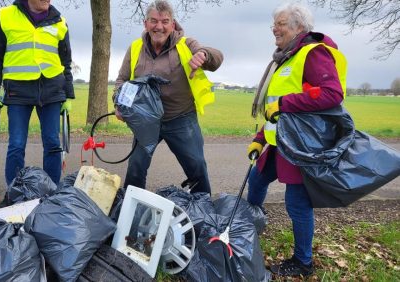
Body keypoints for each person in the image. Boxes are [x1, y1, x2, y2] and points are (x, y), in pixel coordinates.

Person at [246, 2, 347, 277]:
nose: (274, 30)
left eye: (280, 24)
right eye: (274, 25)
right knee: (256, 181)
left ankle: (303, 261)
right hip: (279, 143)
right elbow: (273, 107)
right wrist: (259, 138)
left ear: (299, 27)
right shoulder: (287, 57)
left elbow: (332, 93)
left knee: (297, 203)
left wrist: (285, 104)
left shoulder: (314, 53)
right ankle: (250, 227)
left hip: (299, 146)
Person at [114, 0, 223, 194]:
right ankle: (130, 212)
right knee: (136, 167)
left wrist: (204, 54)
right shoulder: (135, 48)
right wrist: (119, 102)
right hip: (146, 121)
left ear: (172, 24)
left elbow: (217, 58)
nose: (159, 27)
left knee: (196, 166)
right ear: (145, 23)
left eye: (165, 22)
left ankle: (204, 211)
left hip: (181, 118)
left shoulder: (186, 44)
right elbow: (122, 80)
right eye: (154, 21)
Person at [0, 0, 74, 186]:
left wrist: (68, 94)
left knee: (52, 144)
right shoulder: (5, 16)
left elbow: (66, 62)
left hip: (52, 90)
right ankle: (15, 193)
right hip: (18, 90)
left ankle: (51, 194)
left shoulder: (60, 22)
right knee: (16, 145)